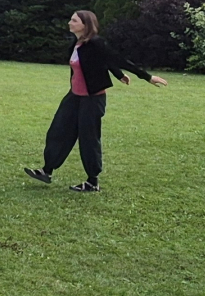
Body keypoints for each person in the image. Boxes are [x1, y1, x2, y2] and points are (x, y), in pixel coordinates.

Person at [24, 10, 168, 192]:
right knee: (59, 130)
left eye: (74, 20)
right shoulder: (77, 43)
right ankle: (46, 171)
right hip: (74, 96)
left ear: (85, 25)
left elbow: (115, 58)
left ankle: (92, 181)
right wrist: (119, 75)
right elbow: (99, 61)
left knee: (89, 138)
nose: (69, 23)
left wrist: (146, 77)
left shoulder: (96, 43)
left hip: (92, 98)